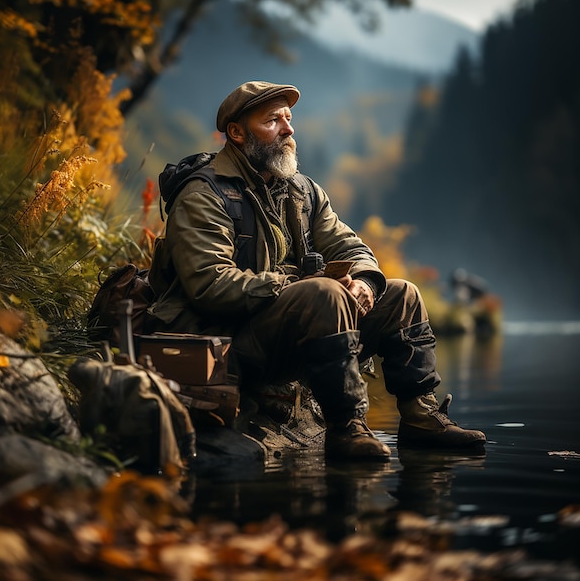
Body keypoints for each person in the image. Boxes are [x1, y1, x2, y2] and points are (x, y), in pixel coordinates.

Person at [149, 81, 486, 461]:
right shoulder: (204, 194)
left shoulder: (303, 191)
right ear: (237, 133)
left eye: (289, 118)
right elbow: (209, 284)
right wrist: (301, 286)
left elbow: (351, 246)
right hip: (227, 341)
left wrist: (364, 283)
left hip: (284, 332)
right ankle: (347, 427)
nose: (288, 129)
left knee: (401, 295)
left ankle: (420, 416)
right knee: (324, 294)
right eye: (273, 120)